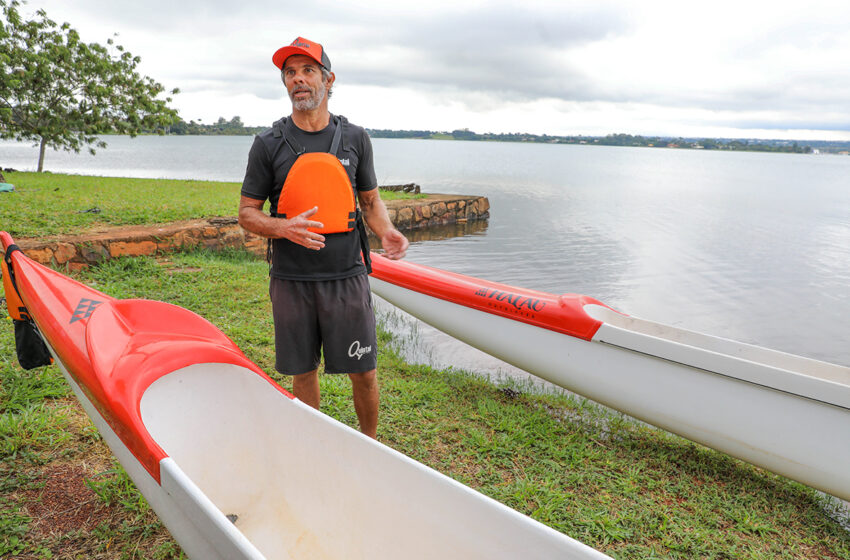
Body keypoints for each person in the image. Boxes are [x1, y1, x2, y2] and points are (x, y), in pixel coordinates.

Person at [238, 37, 408, 439]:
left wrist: (386, 230)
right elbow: (246, 213)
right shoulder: (268, 144)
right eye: (290, 73)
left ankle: (370, 446)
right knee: (303, 372)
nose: (299, 80)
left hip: (346, 276)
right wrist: (282, 227)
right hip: (292, 280)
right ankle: (312, 446)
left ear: (328, 80)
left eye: (308, 70)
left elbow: (369, 201)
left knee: (364, 372)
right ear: (285, 84)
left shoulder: (355, 138)